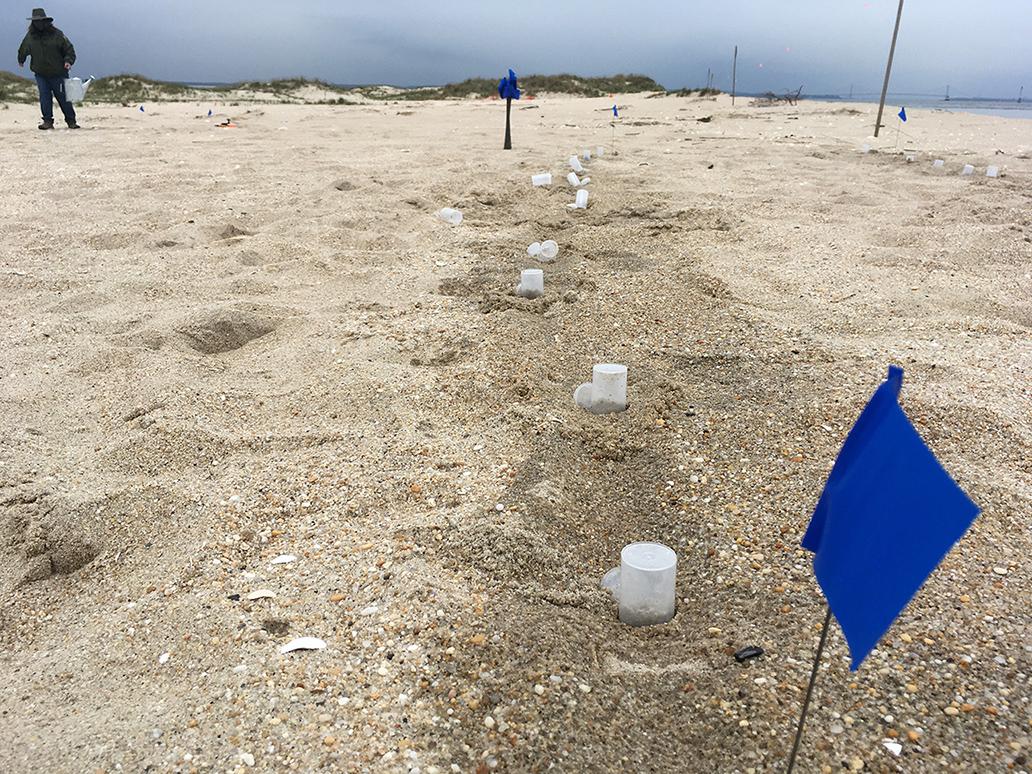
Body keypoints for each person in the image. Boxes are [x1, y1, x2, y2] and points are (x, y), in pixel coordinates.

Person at [17, 8, 79, 130]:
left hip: (59, 73)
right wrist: (21, 59)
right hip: (40, 74)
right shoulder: (30, 37)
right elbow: (23, 48)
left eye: (41, 21)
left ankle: (71, 121)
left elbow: (69, 49)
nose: (39, 24)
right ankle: (47, 121)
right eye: (36, 21)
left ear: (46, 21)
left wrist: (68, 61)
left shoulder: (58, 34)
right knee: (44, 97)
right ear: (33, 23)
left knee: (63, 98)